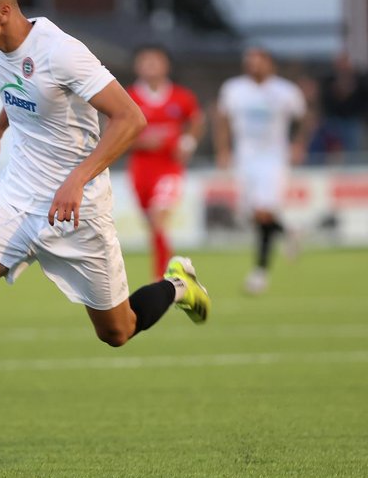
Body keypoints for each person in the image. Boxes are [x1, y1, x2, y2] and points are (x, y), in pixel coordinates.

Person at [0, 0, 212, 466]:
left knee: (118, 331)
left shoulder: (62, 51)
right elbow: (19, 89)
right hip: (14, 199)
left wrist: (77, 179)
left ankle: (177, 286)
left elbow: (130, 118)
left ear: (4, 11)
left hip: (76, 212)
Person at [213, 47, 314, 295]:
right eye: (249, 61)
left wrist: (299, 143)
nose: (253, 66)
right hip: (245, 159)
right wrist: (223, 150)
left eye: (258, 61)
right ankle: (288, 231)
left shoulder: (285, 91)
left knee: (263, 211)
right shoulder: (233, 89)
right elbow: (222, 119)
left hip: (273, 159)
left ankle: (260, 273)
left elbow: (305, 117)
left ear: (270, 64)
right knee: (254, 215)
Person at [126, 45, 204, 280]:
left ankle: (162, 278)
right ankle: (170, 274)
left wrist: (188, 142)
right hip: (141, 169)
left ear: (166, 65)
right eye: (145, 61)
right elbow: (112, 132)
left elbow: (196, 121)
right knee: (153, 225)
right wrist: (139, 141)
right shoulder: (127, 97)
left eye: (155, 60)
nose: (150, 65)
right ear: (137, 66)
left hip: (169, 168)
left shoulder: (181, 96)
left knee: (159, 218)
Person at [314, 52, 368, 163]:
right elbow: (324, 100)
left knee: (353, 149)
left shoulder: (360, 80)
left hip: (353, 120)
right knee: (332, 149)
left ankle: (353, 165)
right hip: (333, 120)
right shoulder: (329, 80)